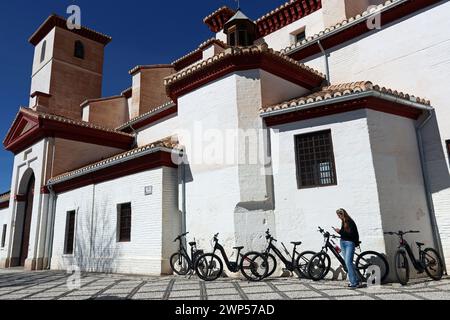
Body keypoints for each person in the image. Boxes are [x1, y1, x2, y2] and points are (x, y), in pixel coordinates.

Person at [333, 208, 364, 289]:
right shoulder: (343, 221)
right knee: (348, 263)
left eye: (339, 215)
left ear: (342, 214)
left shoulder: (349, 221)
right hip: (343, 242)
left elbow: (350, 235)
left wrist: (339, 231)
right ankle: (357, 280)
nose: (338, 217)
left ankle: (354, 283)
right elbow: (345, 234)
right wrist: (340, 232)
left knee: (348, 262)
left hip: (349, 243)